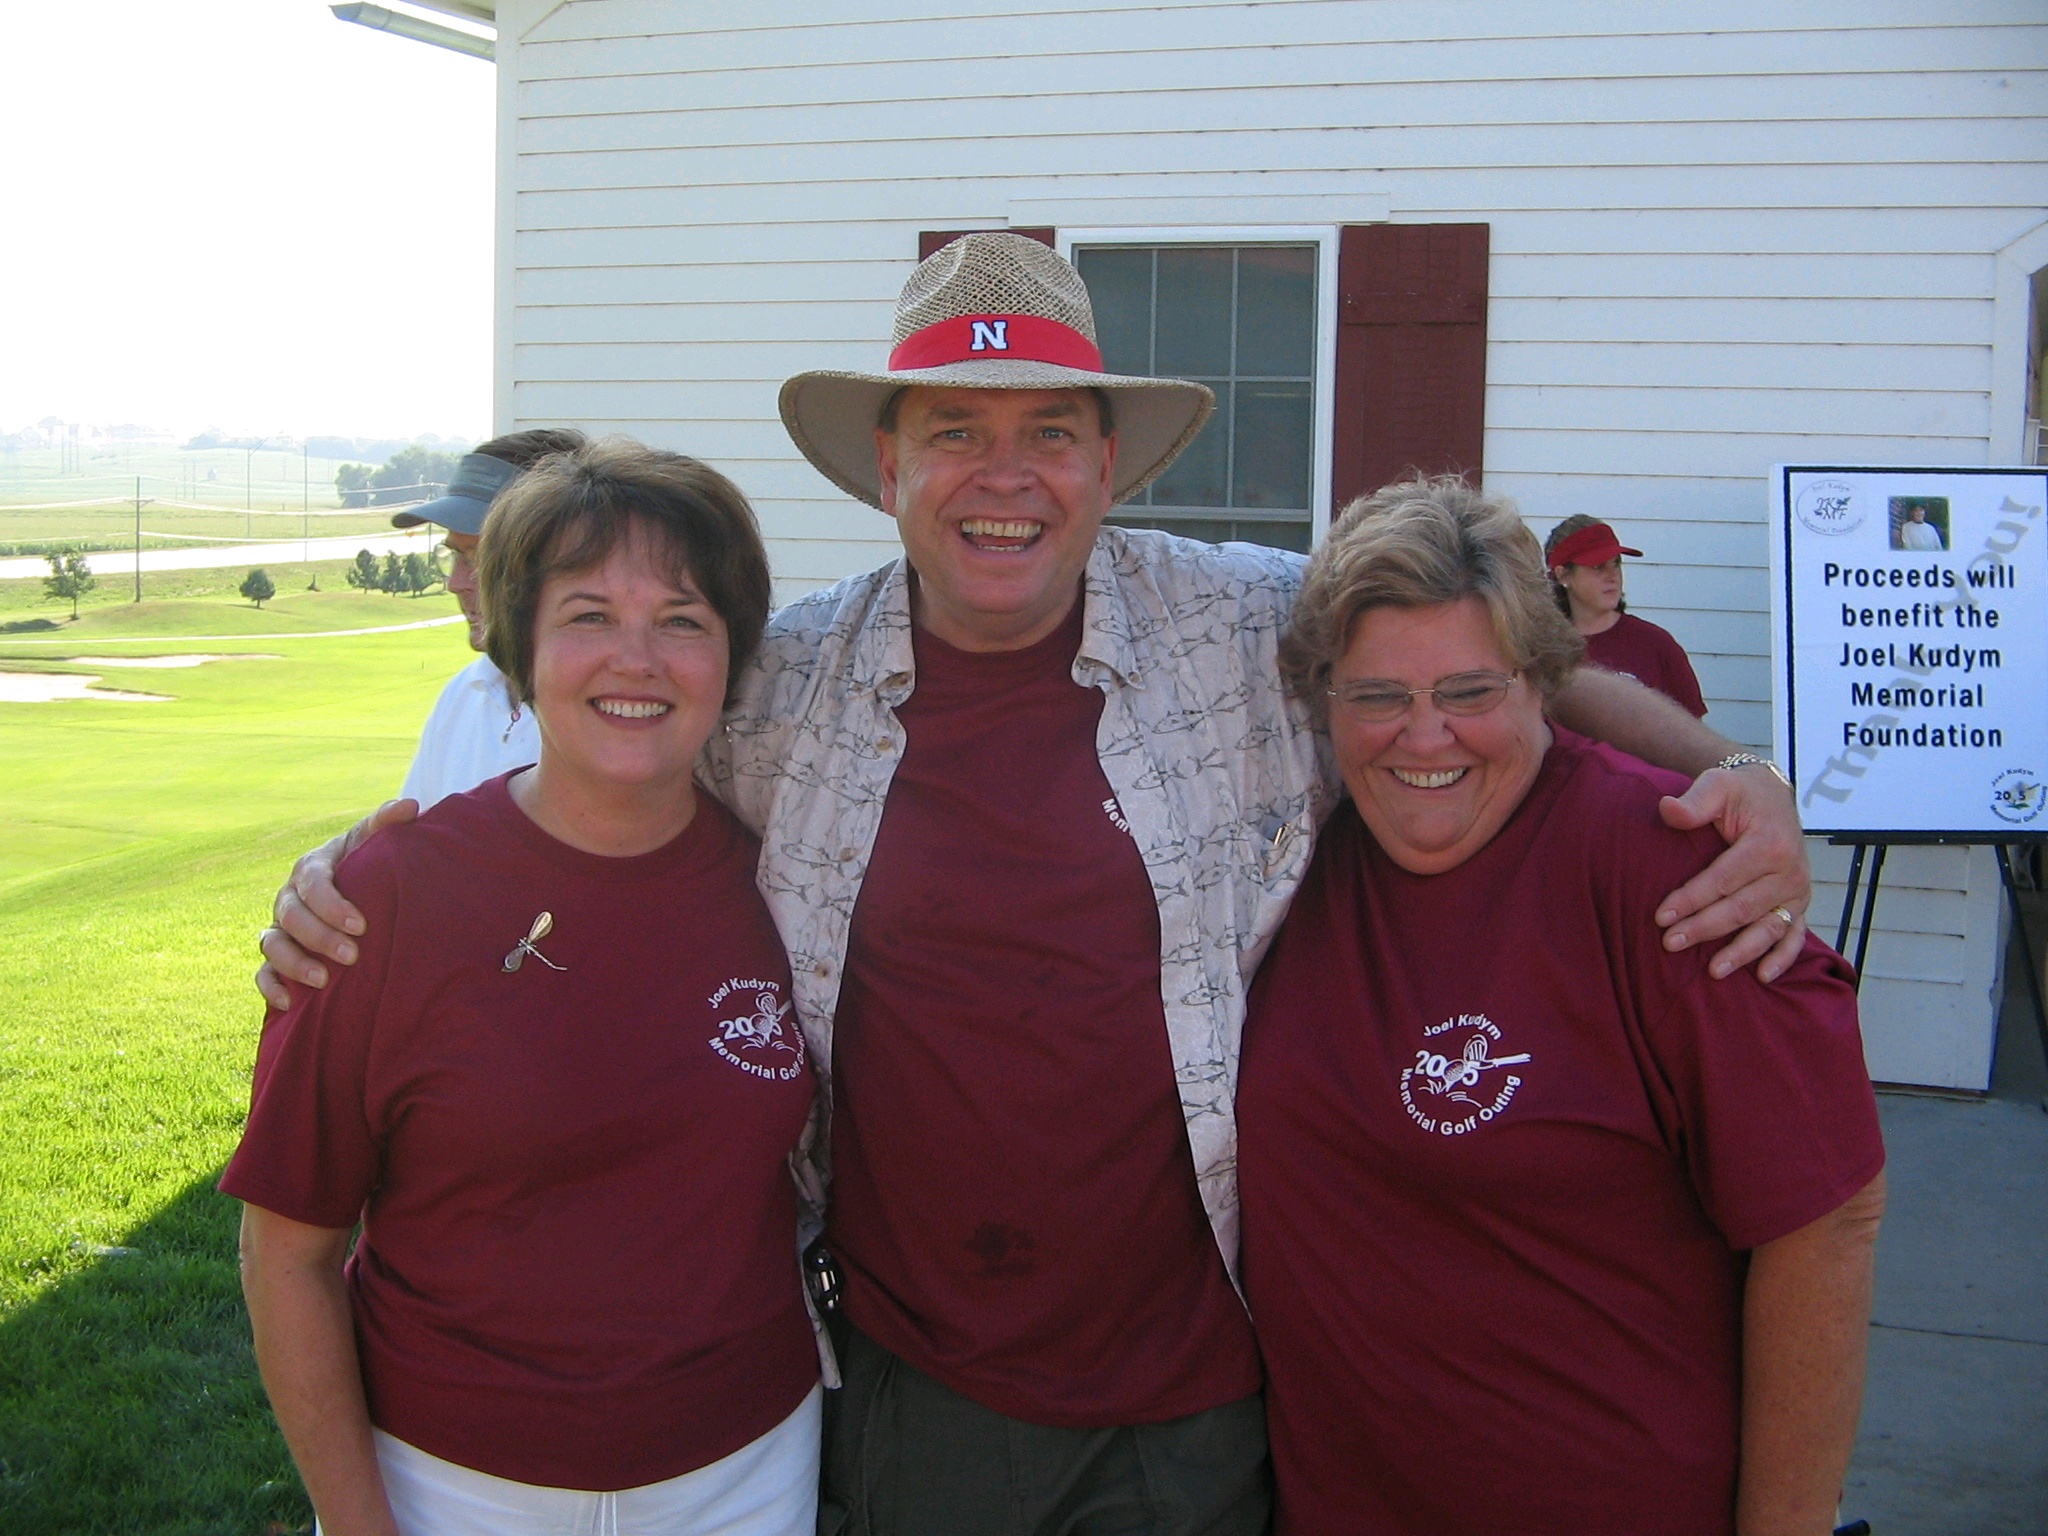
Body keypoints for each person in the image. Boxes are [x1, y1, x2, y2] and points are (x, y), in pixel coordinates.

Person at [260, 234, 1817, 1536]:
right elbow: (594, 753)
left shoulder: (1242, 624)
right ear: (887, 466)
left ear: (1107, 461)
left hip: (1204, 1380)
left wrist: (1732, 771)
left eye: (1049, 432)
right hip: (917, 1384)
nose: (1003, 478)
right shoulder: (784, 682)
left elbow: (1476, 649)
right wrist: (363, 869)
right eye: (955, 432)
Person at [1240, 476, 1886, 1535]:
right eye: (1375, 698)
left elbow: (1827, 1217)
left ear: (1543, 684)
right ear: (1323, 701)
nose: (1422, 737)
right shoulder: (1294, 863)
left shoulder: (1672, 875)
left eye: (1468, 693)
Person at [225, 442, 821, 1535]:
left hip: (747, 1475)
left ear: (730, 657)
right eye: (588, 614)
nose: (636, 659)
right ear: (518, 648)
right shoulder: (382, 899)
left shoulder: (790, 882)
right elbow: (288, 1253)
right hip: (450, 1483)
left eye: (683, 620)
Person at [388, 428, 585, 810]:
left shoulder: (612, 717)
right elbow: (412, 846)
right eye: (456, 555)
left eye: (480, 557)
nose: (455, 583)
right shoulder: (464, 694)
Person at [1544, 513, 1707, 717]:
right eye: (1598, 566)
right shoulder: (1543, 650)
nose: (1612, 575)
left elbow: (1691, 735)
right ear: (1563, 575)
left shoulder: (1657, 645)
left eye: (1616, 563)